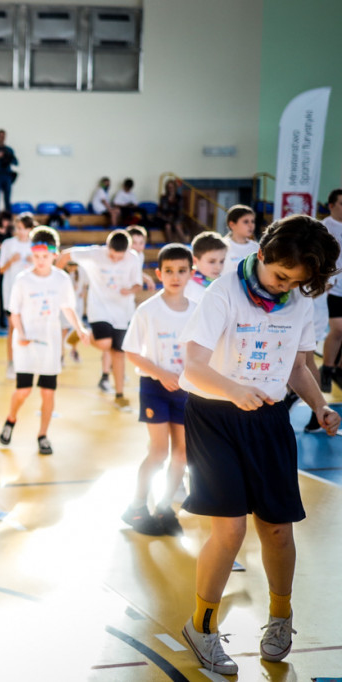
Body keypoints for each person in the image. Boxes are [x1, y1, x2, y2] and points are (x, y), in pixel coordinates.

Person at [177, 215, 340, 674]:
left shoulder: (297, 302)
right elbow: (192, 366)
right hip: (215, 418)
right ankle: (202, 626)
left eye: (297, 282)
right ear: (263, 254)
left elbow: (297, 367)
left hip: (268, 419)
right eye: (280, 276)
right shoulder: (224, 292)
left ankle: (281, 616)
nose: (285, 286)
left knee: (277, 530)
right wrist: (233, 390)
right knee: (229, 531)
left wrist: (319, 406)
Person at [121, 244, 196, 535]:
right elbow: (131, 352)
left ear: (191, 273)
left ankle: (165, 508)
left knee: (182, 454)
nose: (175, 276)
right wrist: (161, 373)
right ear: (158, 273)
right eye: (169, 271)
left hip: (187, 389)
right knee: (158, 452)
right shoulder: (148, 310)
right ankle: (137, 506)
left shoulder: (198, 312)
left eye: (181, 270)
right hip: (155, 386)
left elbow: (205, 353)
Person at [0, 226, 89, 455]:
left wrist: (80, 327)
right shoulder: (23, 280)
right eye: (36, 256)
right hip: (26, 344)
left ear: (54, 255)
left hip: (50, 344)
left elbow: (67, 308)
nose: (40, 261)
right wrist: (21, 334)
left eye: (45, 257)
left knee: (48, 392)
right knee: (24, 391)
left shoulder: (61, 279)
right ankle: (11, 419)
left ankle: (43, 435)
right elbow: (14, 312)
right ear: (32, 254)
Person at [57, 229, 143, 409]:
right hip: (100, 308)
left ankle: (119, 394)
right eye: (112, 256)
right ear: (107, 248)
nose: (116, 260)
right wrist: (54, 277)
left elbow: (137, 284)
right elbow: (65, 255)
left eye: (120, 257)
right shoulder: (95, 253)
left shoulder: (133, 258)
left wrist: (130, 290)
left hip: (122, 311)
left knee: (119, 352)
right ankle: (83, 335)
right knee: (105, 344)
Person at [0, 213, 35, 378]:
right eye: (18, 228)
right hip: (11, 291)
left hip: (30, 293)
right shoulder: (8, 244)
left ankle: (27, 362)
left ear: (30, 229)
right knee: (13, 327)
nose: (21, 232)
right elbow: (1, 269)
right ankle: (11, 363)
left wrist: (33, 261)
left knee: (30, 327)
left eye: (24, 229)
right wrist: (11, 261)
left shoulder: (34, 245)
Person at [318, 189, 342, 390]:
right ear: (332, 205)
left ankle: (337, 370)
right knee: (339, 329)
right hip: (333, 286)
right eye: (341, 203)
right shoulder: (324, 228)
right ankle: (326, 369)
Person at [184, 232, 228, 304]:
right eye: (211, 261)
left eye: (221, 261)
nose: (218, 267)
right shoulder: (186, 286)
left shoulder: (224, 284)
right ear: (195, 260)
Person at [224, 204, 259, 268]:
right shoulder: (222, 246)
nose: (251, 225)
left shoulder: (256, 248)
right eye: (246, 222)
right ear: (232, 224)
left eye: (253, 221)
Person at [127, 225, 156, 291]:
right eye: (134, 243)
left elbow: (136, 272)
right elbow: (129, 272)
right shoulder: (123, 255)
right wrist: (147, 279)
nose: (138, 246)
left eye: (141, 243)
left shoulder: (140, 255)